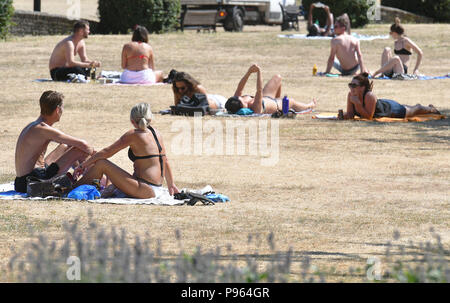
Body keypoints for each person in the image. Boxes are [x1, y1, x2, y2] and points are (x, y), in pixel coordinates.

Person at [73, 103, 179, 198]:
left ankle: (70, 190)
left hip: (144, 188)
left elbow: (106, 152)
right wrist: (171, 184)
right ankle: (77, 188)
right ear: (150, 119)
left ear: (132, 121)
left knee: (102, 163)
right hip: (156, 188)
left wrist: (82, 166)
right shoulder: (157, 133)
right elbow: (165, 161)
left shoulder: (133, 134)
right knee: (111, 181)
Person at [14, 91, 95, 193]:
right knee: (80, 150)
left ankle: (91, 177)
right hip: (31, 182)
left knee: (66, 146)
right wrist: (96, 155)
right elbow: (83, 145)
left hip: (22, 181)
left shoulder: (34, 125)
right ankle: (99, 180)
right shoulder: (43, 129)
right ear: (57, 109)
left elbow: (70, 143)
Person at [340, 73, 441, 120]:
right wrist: (342, 116)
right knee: (409, 107)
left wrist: (358, 104)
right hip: (383, 104)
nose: (351, 88)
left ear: (362, 88)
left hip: (391, 109)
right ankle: (426, 107)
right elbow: (350, 114)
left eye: (354, 85)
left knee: (414, 110)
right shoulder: (351, 95)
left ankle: (431, 109)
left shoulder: (369, 96)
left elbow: (369, 117)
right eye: (350, 85)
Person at [225, 64, 317, 114]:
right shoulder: (255, 108)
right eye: (244, 104)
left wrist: (249, 72)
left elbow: (240, 88)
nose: (245, 101)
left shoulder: (236, 101)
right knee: (291, 101)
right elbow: (259, 90)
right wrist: (259, 72)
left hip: (267, 97)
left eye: (242, 99)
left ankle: (278, 97)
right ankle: (311, 105)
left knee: (277, 78)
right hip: (277, 105)